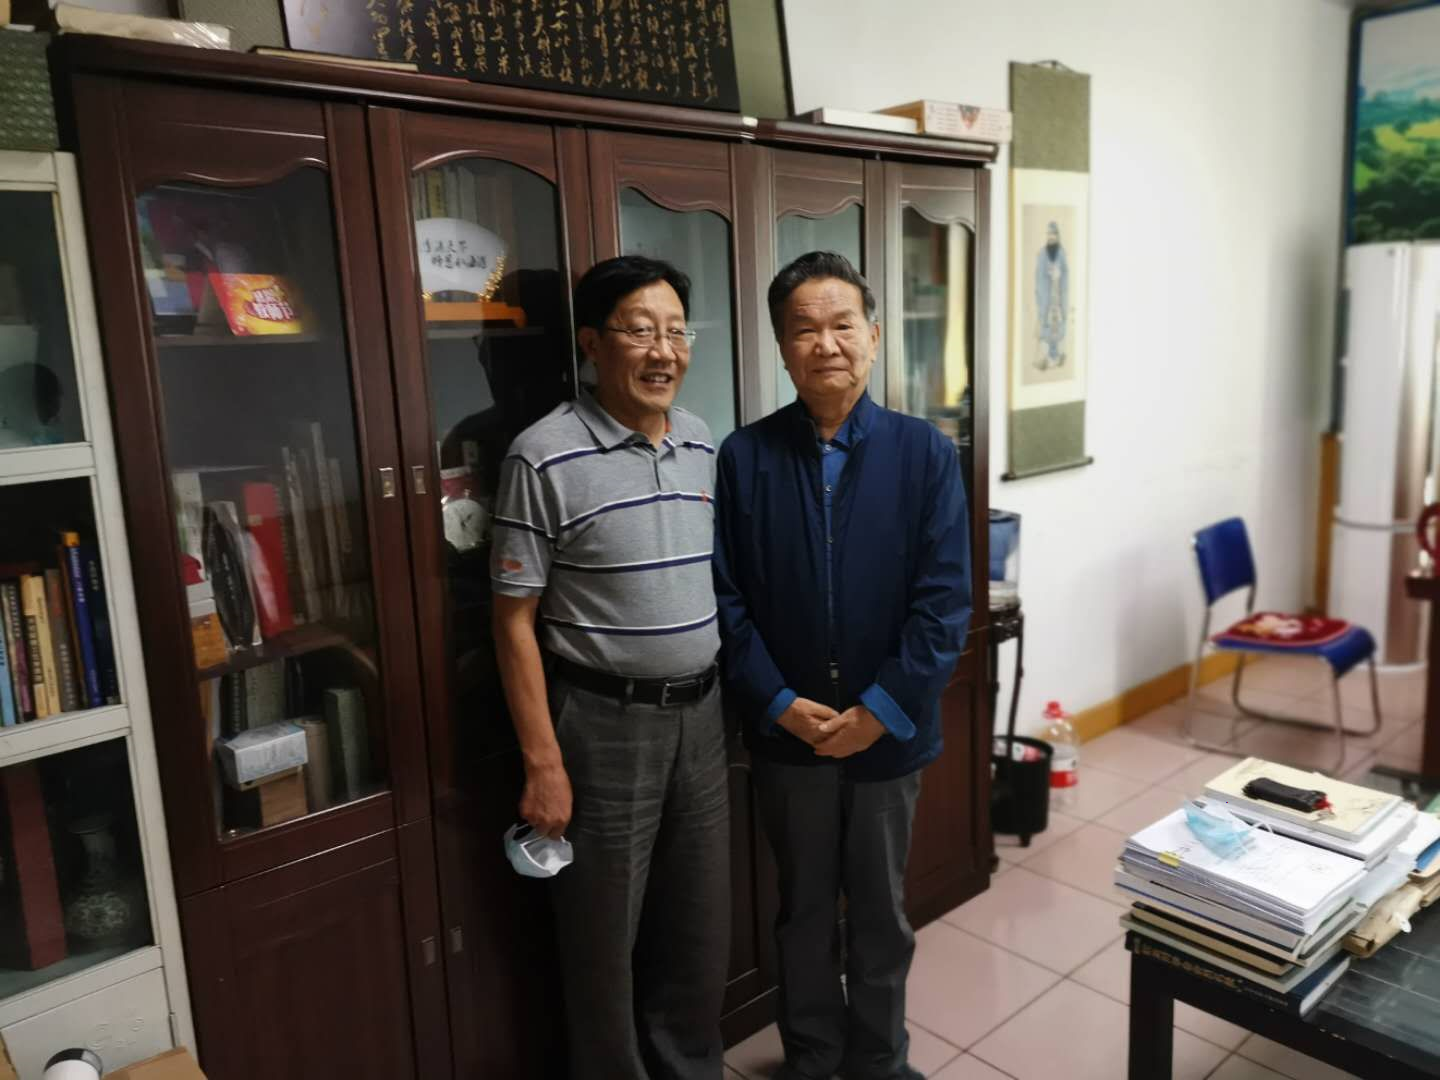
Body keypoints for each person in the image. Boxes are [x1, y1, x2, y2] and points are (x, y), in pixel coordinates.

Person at [714, 251, 972, 1080]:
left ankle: (879, 1062)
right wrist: (778, 701)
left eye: (842, 325)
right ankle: (813, 1057)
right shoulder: (744, 457)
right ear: (781, 347)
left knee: (882, 913)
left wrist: (879, 712)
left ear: (874, 336)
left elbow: (944, 604)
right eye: (804, 329)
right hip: (789, 734)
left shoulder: (923, 453)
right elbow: (726, 601)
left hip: (887, 736)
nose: (825, 343)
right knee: (801, 910)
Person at [491, 255, 730, 1080]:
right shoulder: (542, 455)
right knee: (602, 940)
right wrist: (543, 762)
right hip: (601, 725)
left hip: (703, 717)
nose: (664, 351)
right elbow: (512, 621)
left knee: (697, 931)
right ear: (593, 343)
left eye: (677, 332)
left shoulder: (700, 440)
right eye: (640, 331)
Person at [1034, 220, 1069, 369]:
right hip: (1047, 299)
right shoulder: (1042, 254)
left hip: (1058, 299)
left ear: (1057, 235)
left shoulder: (1062, 253)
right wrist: (1048, 276)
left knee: (1057, 328)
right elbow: (1039, 276)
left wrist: (1059, 275)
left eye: (1053, 234)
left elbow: (1066, 274)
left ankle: (1056, 355)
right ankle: (1048, 357)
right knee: (1046, 328)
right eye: (1049, 234)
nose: (1051, 236)